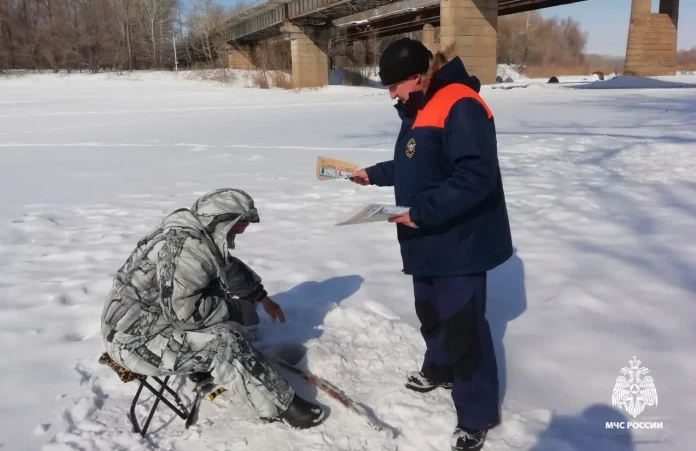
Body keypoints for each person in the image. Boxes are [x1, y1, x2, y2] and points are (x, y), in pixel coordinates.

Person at [349, 39, 513, 451]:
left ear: (419, 75)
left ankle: (476, 416)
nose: (390, 93)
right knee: (431, 315)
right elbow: (416, 162)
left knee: (465, 328)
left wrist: (422, 211)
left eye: (394, 84)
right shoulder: (419, 105)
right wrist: (374, 174)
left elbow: (476, 177)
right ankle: (439, 369)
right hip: (426, 239)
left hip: (460, 242)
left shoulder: (461, 104)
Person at [100, 188, 325, 429]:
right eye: (240, 222)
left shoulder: (197, 236)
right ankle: (283, 407)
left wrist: (260, 297)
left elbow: (225, 267)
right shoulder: (186, 250)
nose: (244, 228)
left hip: (149, 323)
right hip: (135, 342)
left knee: (221, 304)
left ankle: (203, 366)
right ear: (220, 220)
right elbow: (186, 315)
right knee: (226, 342)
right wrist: (235, 310)